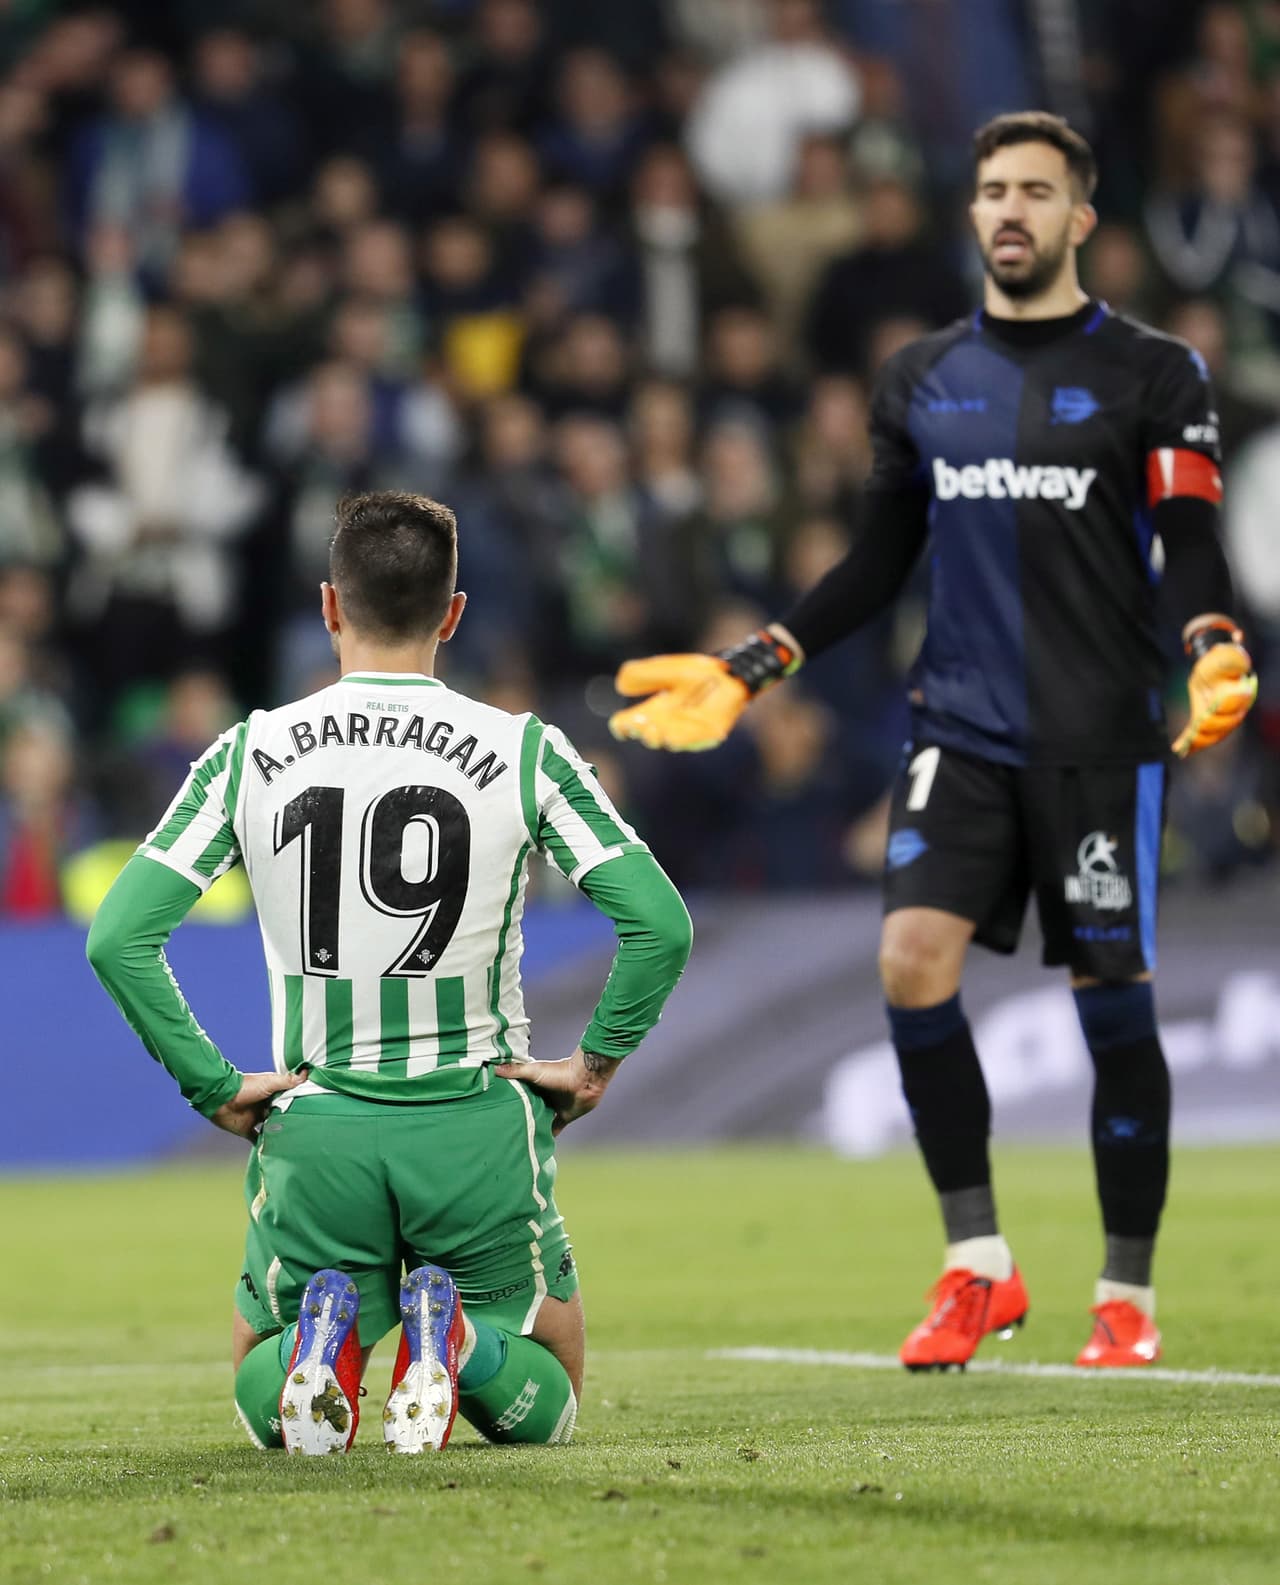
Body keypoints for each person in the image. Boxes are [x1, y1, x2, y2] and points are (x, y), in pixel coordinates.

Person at [609, 112, 1256, 1372]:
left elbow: (1188, 540)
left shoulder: (1155, 374)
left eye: (1035, 191)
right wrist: (755, 663)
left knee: (1110, 1004)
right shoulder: (919, 379)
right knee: (909, 960)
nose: (1008, 208)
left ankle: (1124, 1291)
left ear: (1079, 217)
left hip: (1096, 741)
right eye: (991, 189)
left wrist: (1210, 639)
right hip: (956, 727)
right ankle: (977, 1265)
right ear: (971, 213)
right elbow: (877, 560)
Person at [87, 490, 692, 1453]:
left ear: (330, 605)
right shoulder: (525, 750)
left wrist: (213, 1084)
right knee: (554, 1388)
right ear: (453, 614)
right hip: (474, 1123)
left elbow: (117, 938)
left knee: (259, 1366)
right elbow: (660, 925)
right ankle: (457, 1340)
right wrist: (594, 1064)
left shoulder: (249, 752)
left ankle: (319, 1350)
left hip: (318, 1123)